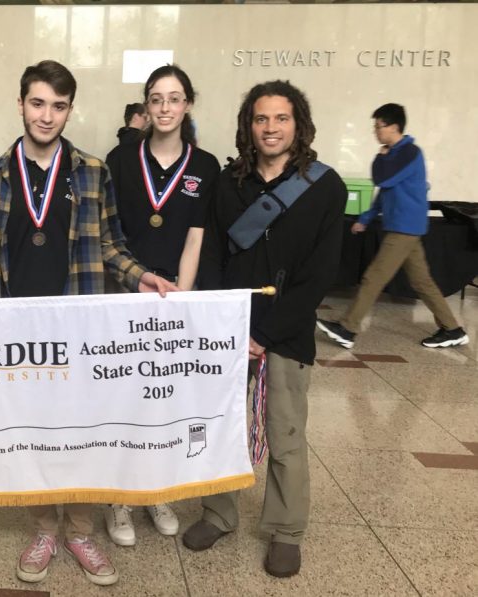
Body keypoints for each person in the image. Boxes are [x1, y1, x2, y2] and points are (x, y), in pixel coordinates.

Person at [0, 60, 175, 587]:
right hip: (19, 332)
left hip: (80, 330)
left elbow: (110, 244)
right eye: (37, 103)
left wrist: (142, 276)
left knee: (81, 434)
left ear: (69, 109)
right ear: (21, 105)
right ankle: (43, 528)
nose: (47, 116)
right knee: (32, 433)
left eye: (58, 106)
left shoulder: (92, 172)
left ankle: (79, 529)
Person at [186, 80, 346, 578]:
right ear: (248, 126)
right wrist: (219, 321)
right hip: (227, 329)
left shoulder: (325, 187)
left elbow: (319, 275)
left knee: (285, 431)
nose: (271, 128)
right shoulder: (230, 183)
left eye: (281, 118)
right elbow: (211, 254)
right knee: (223, 426)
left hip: (287, 331)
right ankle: (218, 512)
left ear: (298, 124)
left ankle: (285, 529)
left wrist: (267, 333)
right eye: (261, 119)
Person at [102, 64, 220, 547]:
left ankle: (157, 490)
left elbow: (195, 238)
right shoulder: (121, 159)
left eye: (175, 98)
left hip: (174, 299)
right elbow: (110, 233)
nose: (166, 107)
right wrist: (136, 286)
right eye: (156, 98)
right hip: (125, 292)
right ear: (145, 107)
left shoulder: (205, 166)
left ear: (187, 104)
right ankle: (119, 498)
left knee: (163, 399)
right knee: (124, 398)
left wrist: (180, 300)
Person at [316, 103, 468, 349]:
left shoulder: (409, 152)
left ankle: (348, 328)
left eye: (379, 126)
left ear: (394, 127)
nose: (376, 132)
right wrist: (365, 218)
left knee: (373, 278)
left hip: (405, 227)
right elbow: (384, 191)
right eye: (375, 127)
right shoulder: (393, 154)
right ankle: (453, 329)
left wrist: (381, 155)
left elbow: (381, 178)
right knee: (422, 282)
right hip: (403, 226)